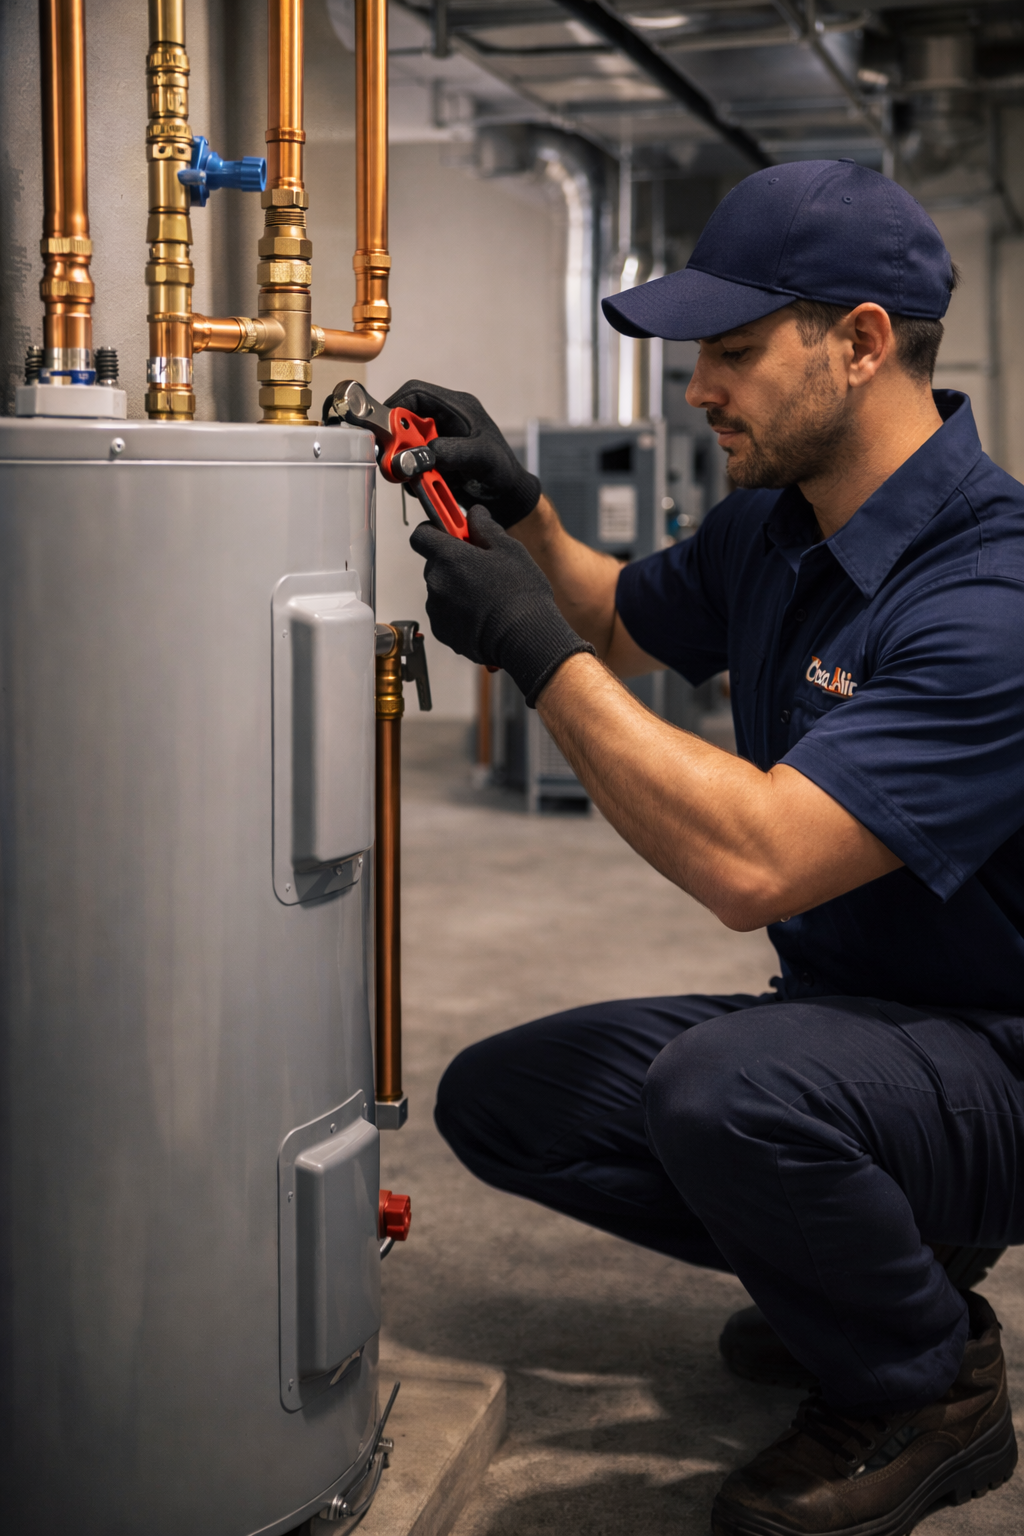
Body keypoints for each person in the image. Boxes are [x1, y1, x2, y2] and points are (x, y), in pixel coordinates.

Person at [387, 159, 1024, 1536]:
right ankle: (870, 1268)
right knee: (506, 1100)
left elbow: (756, 866)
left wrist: (531, 658)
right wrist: (526, 518)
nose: (697, 391)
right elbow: (625, 619)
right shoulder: (781, 529)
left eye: (732, 352)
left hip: (1001, 1058)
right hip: (858, 1030)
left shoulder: (992, 595)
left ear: (859, 344)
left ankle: (929, 1384)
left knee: (726, 1092)